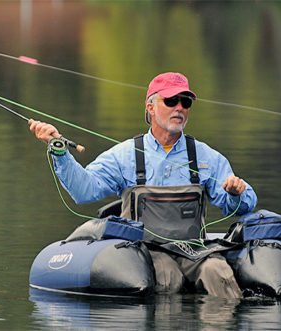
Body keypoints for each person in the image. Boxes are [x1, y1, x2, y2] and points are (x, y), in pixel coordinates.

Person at [30, 72, 257, 299]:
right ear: (150, 107)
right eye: (170, 101)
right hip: (142, 253)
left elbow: (239, 207)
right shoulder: (123, 155)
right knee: (168, 276)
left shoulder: (207, 156)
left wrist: (237, 193)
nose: (179, 107)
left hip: (194, 250)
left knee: (218, 272)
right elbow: (84, 191)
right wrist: (59, 151)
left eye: (185, 102)